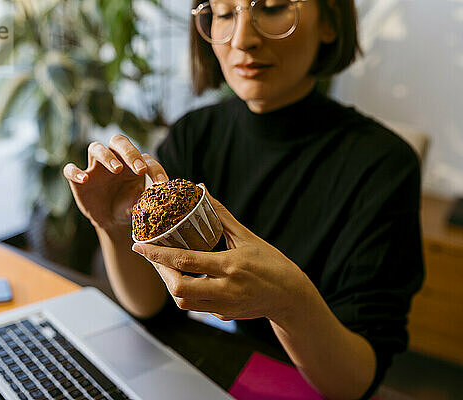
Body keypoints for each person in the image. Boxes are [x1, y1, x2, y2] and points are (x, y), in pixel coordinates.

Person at [63, 0, 424, 399]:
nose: (243, 38)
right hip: (201, 367)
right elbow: (148, 305)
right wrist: (113, 227)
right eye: (223, 12)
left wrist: (289, 304)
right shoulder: (195, 134)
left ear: (330, 23)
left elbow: (354, 381)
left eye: (272, 7)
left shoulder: (383, 166)